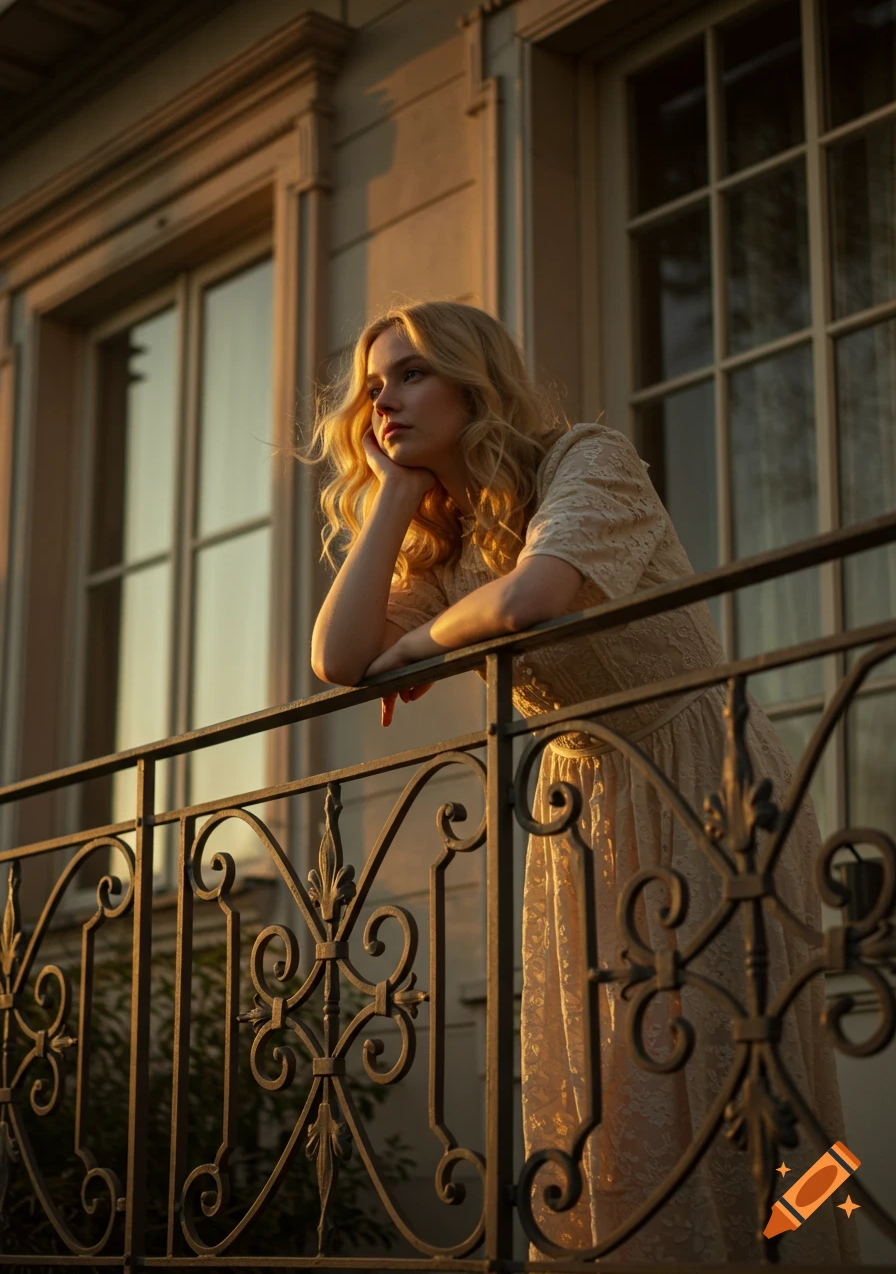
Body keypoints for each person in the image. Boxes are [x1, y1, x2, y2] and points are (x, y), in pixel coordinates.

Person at [304, 300, 860, 1264]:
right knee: (612, 1090)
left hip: (704, 782)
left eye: (409, 374)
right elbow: (336, 656)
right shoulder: (448, 539)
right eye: (371, 388)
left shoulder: (586, 459)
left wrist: (414, 648)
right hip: (586, 810)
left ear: (474, 380)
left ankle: (794, 1250)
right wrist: (393, 497)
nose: (381, 400)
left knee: (735, 1081)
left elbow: (530, 597)